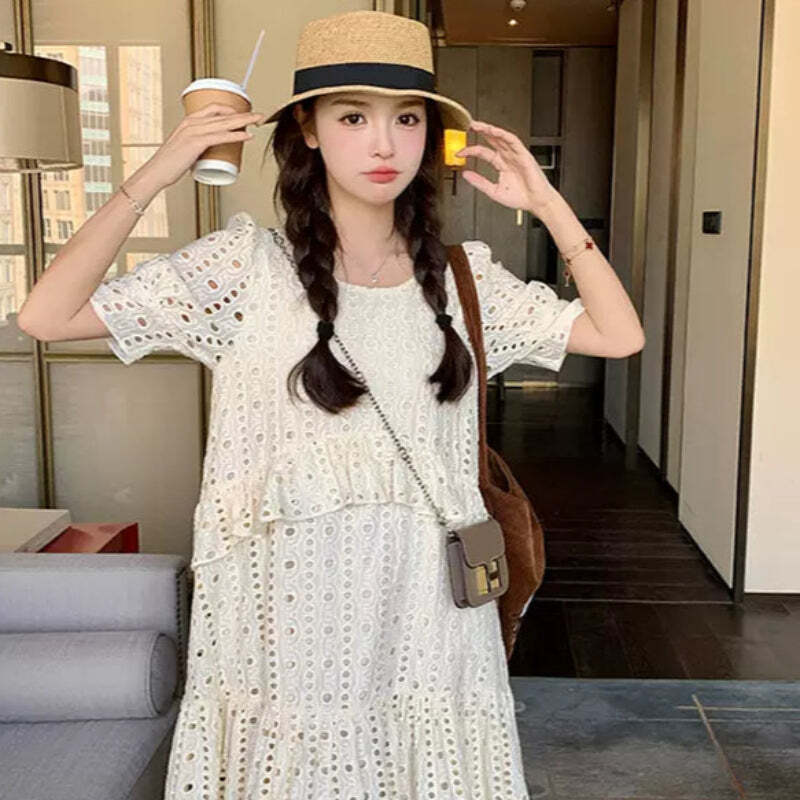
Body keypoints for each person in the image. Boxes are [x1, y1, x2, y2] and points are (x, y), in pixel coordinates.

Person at [18, 9, 644, 799]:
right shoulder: (244, 269)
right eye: (353, 117)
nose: (384, 144)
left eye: (407, 119)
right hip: (287, 615)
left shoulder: (464, 279)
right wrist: (153, 175)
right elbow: (47, 317)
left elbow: (619, 335)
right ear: (308, 130)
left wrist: (549, 206)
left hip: (429, 609)